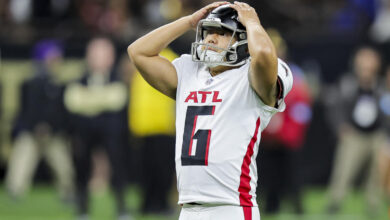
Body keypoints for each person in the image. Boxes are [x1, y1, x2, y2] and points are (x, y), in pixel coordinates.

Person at [127, 2, 293, 220]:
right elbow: (138, 52)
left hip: (231, 206)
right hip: (188, 208)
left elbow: (262, 53)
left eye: (222, 33)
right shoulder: (190, 72)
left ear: (243, 40)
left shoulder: (252, 76)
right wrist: (187, 22)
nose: (210, 39)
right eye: (207, 33)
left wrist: (252, 22)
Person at [64, 37, 131, 220]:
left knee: (118, 169)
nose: (98, 59)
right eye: (95, 54)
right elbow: (72, 101)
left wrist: (89, 100)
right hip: (84, 133)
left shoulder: (117, 79)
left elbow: (117, 99)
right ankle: (83, 209)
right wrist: (102, 100)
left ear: (110, 58)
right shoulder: (80, 79)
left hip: (111, 133)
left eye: (103, 54)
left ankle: (122, 209)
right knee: (81, 170)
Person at [5, 40, 74, 202]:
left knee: (63, 165)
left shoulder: (58, 84)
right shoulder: (30, 83)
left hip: (54, 132)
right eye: (53, 57)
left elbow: (60, 112)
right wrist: (36, 126)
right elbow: (26, 110)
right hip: (31, 131)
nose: (57, 61)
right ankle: (14, 192)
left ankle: (68, 193)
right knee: (21, 162)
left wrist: (52, 127)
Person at [326, 46, 385, 216]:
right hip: (354, 135)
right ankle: (335, 201)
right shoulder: (347, 84)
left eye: (370, 62)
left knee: (377, 172)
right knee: (344, 169)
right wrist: (340, 126)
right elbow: (334, 107)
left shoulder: (380, 87)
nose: (366, 66)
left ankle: (373, 204)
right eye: (363, 62)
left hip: (375, 135)